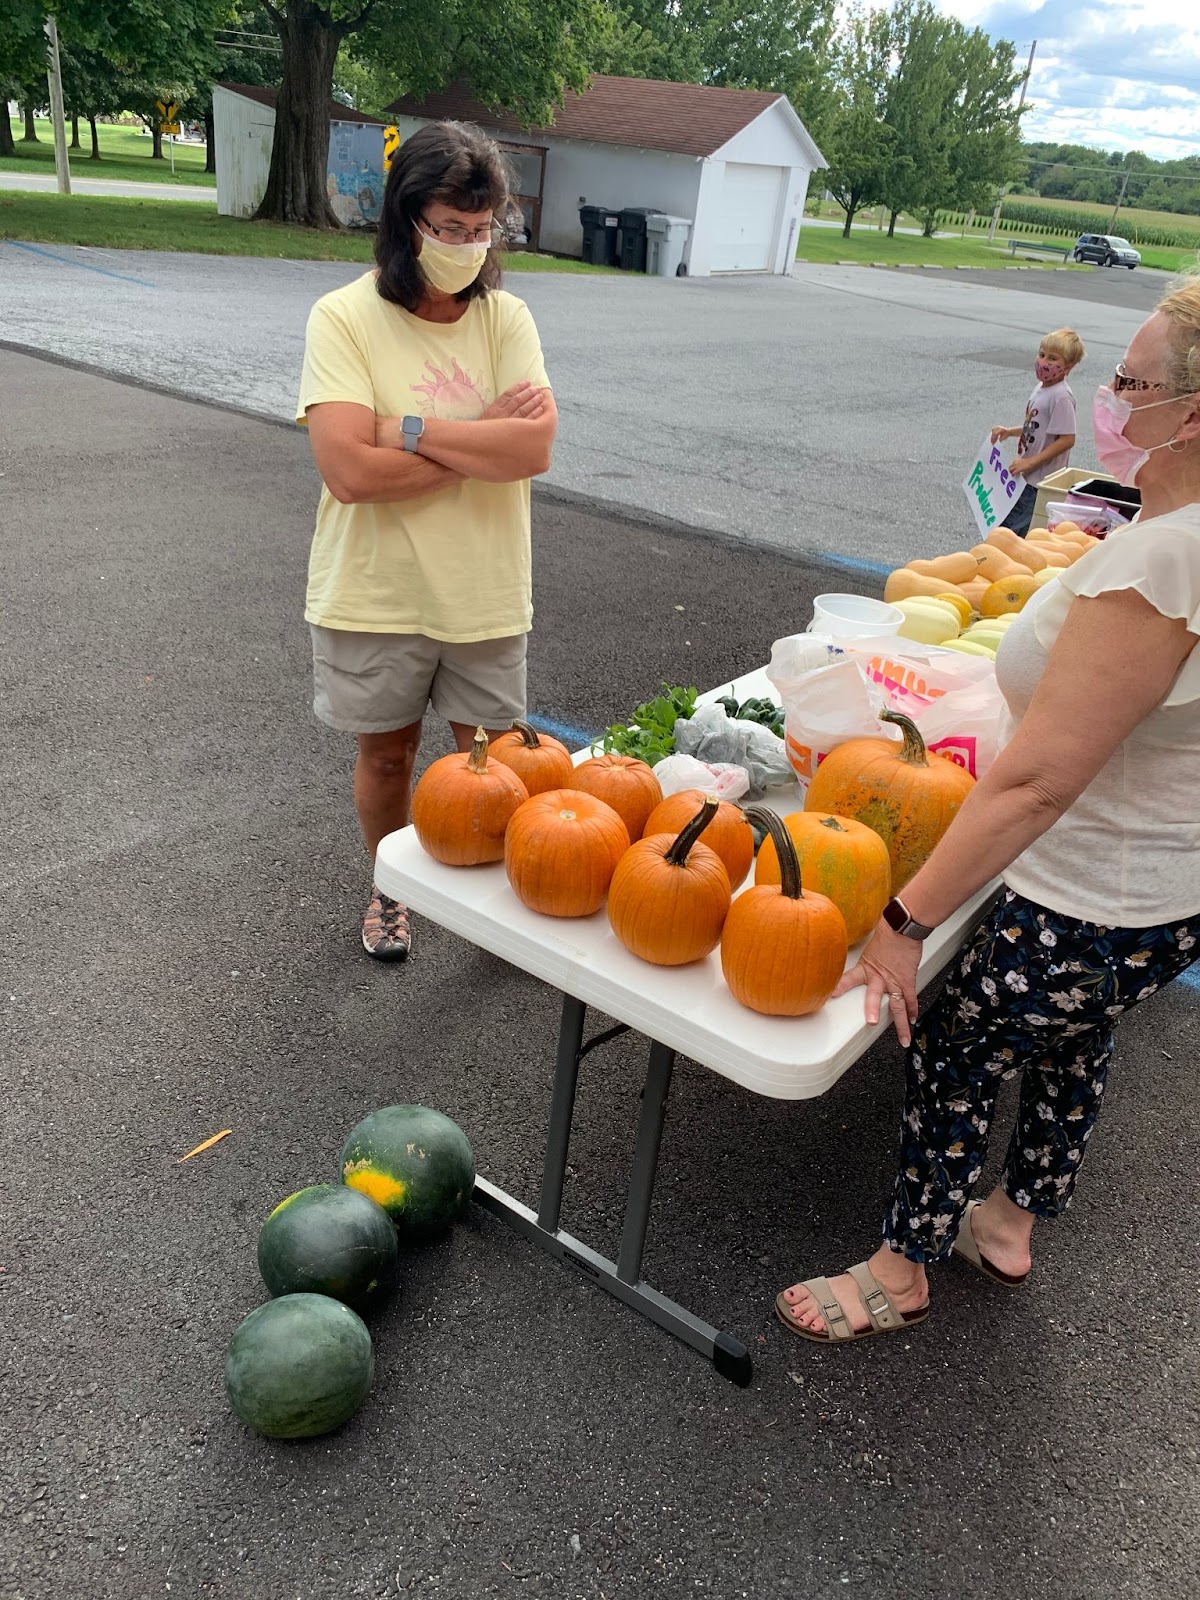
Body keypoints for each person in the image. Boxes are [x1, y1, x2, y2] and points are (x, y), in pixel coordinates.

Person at [777, 277, 1200, 1343]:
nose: (1109, 395)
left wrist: (904, 922)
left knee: (959, 1045)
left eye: (1129, 381)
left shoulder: (1160, 565)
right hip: (1163, 890)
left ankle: (900, 1267)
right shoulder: (1173, 529)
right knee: (1071, 1041)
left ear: (1190, 415)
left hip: (1085, 889)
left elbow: (1039, 779)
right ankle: (1007, 1224)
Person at [296, 121, 558, 961]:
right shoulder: (343, 317)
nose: (469, 247)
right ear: (407, 221)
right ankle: (390, 889)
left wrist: (405, 429)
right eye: (451, 229)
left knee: (491, 770)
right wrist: (474, 441)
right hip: (376, 591)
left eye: (484, 231)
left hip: (483, 589)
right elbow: (350, 473)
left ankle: (492, 908)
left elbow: (534, 448)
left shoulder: (506, 319)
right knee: (386, 761)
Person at [991, 327, 1085, 536]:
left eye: (1053, 359)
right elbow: (1037, 425)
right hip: (1026, 476)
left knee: (1014, 532)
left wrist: (1030, 462)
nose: (1044, 362)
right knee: (1005, 527)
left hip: (1039, 482)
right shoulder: (1042, 388)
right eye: (1042, 355)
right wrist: (1010, 431)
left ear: (1068, 367)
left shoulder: (1061, 397)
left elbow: (1067, 439)